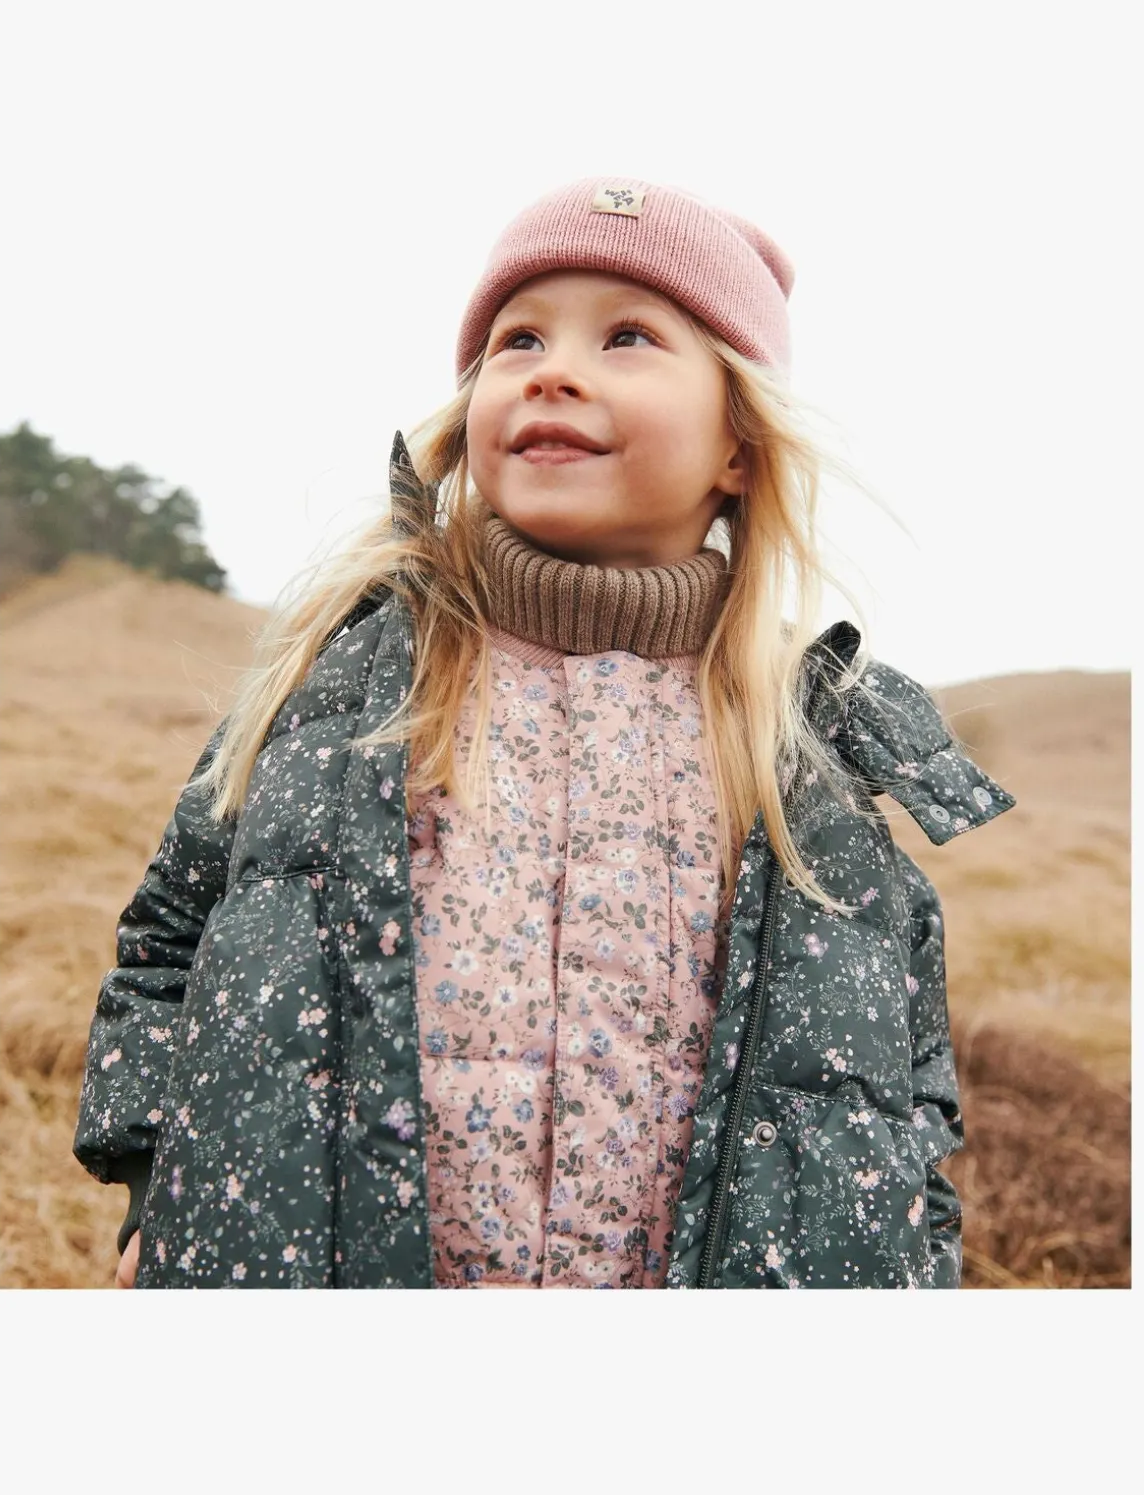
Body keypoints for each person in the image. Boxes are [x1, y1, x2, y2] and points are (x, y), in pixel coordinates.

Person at [74, 175, 1016, 1289]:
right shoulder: (346, 687)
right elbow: (167, 935)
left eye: (628, 335)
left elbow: (901, 1082)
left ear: (739, 447)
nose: (552, 368)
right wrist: (158, 1178)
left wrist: (920, 1264)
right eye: (516, 337)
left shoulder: (806, 754)